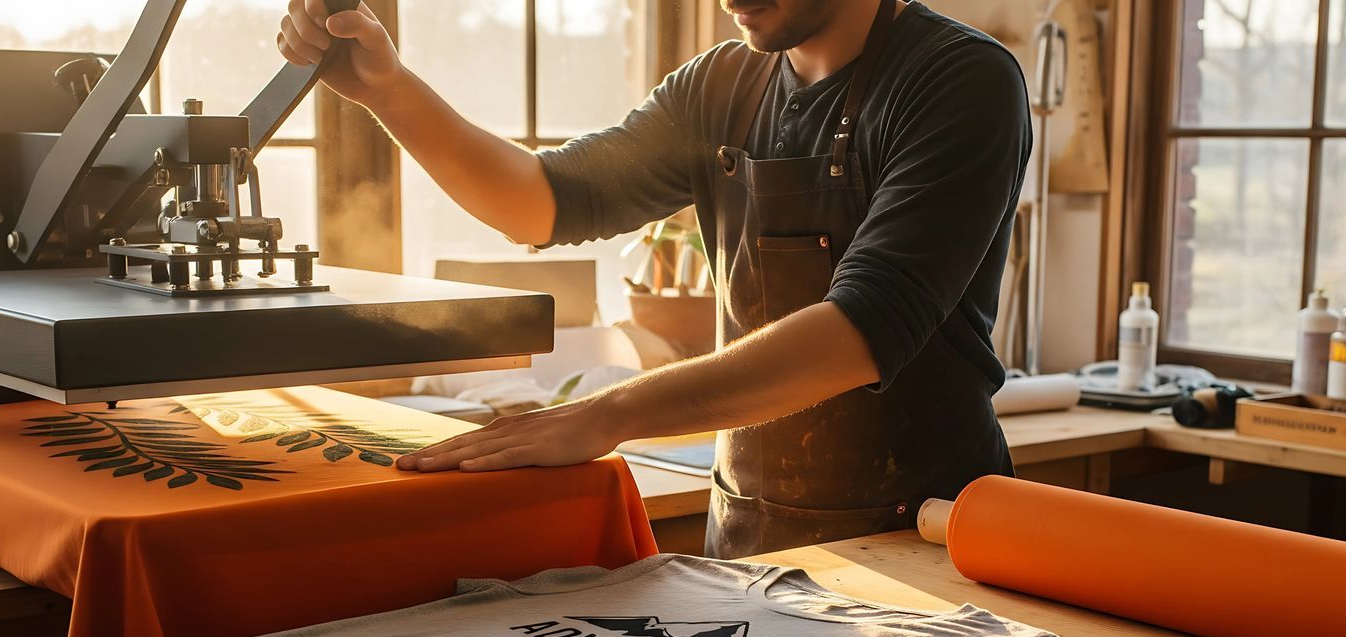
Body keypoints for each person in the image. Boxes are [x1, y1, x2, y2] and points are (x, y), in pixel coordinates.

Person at [277, 0, 1030, 557]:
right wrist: (389, 91)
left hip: (927, 536)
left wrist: (606, 414)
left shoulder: (961, 82)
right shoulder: (720, 86)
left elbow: (862, 329)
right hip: (751, 541)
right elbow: (544, 202)